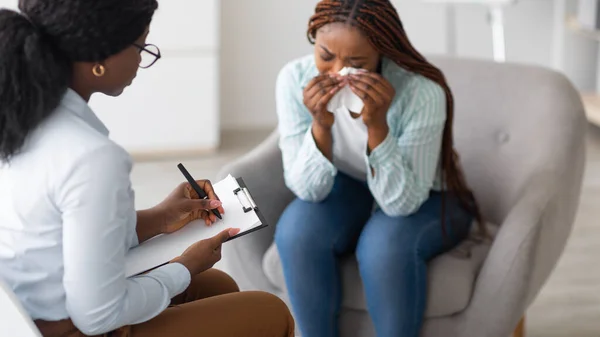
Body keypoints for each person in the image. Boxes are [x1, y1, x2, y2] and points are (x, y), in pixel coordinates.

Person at [0, 1, 294, 337]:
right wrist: (184, 267)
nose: (142, 59)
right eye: (141, 45)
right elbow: (97, 316)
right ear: (99, 59)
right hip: (68, 326)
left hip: (24, 315)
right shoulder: (90, 157)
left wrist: (160, 218)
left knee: (217, 284)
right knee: (269, 312)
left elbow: (58, 235)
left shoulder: (21, 115)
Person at [274, 1, 486, 336]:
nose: (338, 73)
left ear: (381, 55)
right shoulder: (294, 79)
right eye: (326, 56)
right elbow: (307, 190)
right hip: (353, 185)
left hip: (427, 196)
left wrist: (378, 127)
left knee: (383, 247)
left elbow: (400, 205)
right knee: (296, 233)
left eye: (356, 63)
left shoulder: (421, 93)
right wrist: (320, 127)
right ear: (313, 38)